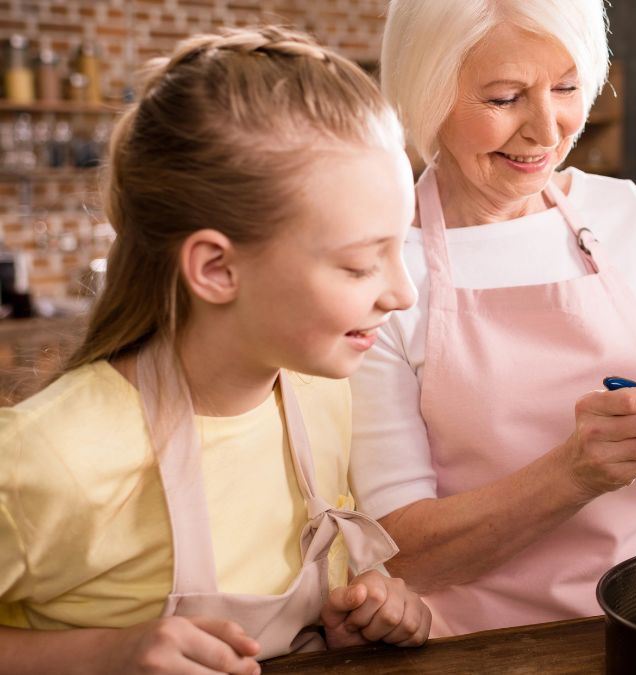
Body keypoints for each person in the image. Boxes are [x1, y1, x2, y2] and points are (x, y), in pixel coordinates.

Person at [0, 27, 432, 673]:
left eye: (400, 248)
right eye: (359, 264)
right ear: (216, 269)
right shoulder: (49, 457)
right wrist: (102, 653)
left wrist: (356, 617)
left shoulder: (320, 394)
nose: (401, 293)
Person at [351, 0, 636, 636]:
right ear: (428, 96)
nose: (546, 129)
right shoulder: (380, 262)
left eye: (567, 87)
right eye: (504, 97)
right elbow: (402, 553)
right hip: (470, 646)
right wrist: (572, 474)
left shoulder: (633, 220)